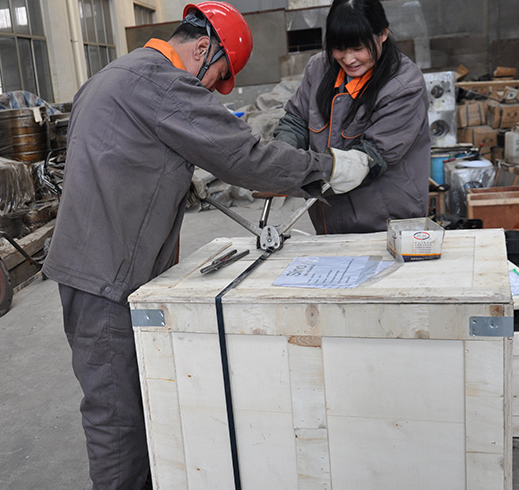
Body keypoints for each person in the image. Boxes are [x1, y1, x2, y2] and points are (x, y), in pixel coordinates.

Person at [42, 2, 380, 489]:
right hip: (108, 275)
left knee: (139, 399)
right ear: (203, 48)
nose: (208, 90)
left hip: (91, 264)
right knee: (119, 418)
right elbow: (244, 157)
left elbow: (117, 155)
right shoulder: (165, 83)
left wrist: (172, 175)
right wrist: (327, 167)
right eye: (216, 77)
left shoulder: (112, 75)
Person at [273, 0, 431, 234]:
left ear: (383, 34)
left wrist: (305, 168)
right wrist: (279, 158)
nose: (348, 59)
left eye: (358, 48)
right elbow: (296, 121)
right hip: (327, 218)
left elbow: (371, 158)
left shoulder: (404, 86)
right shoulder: (319, 67)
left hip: (385, 221)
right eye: (339, 48)